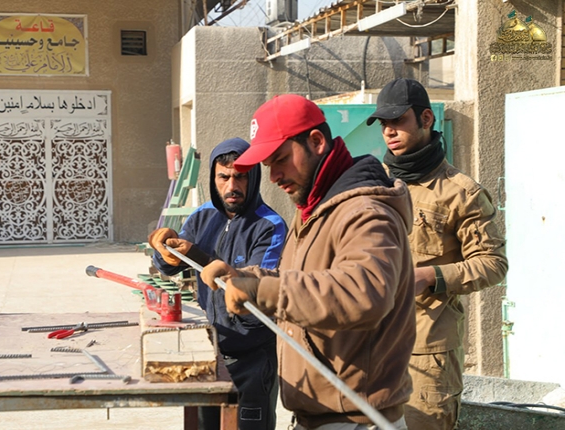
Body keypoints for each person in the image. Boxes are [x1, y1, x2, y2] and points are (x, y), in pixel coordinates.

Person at [200, 94, 416, 430]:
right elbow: (299, 279)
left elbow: (363, 294)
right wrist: (244, 276)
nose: (274, 176)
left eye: (281, 159)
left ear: (316, 142)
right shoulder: (316, 209)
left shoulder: (365, 213)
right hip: (323, 416)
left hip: (355, 421)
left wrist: (261, 291)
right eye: (268, 166)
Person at [366, 78, 509, 430]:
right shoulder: (373, 185)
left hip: (427, 355)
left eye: (398, 120)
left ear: (426, 119)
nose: (389, 131)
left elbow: (493, 263)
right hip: (370, 345)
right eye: (383, 123)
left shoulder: (461, 193)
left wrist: (431, 276)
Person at [148, 137, 287, 430]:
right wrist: (164, 250)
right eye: (223, 177)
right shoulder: (201, 217)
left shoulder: (270, 226)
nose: (231, 186)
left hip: (253, 356)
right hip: (208, 354)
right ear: (213, 178)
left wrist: (199, 256)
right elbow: (171, 266)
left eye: (240, 177)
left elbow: (256, 286)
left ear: (254, 178)